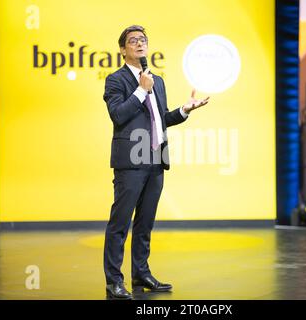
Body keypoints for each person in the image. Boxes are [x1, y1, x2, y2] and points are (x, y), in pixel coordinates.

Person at [102, 25, 210, 299]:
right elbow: (118, 115)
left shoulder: (157, 81)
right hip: (130, 161)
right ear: (123, 49)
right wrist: (139, 91)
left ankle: (141, 273)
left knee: (145, 223)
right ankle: (114, 281)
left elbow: (160, 119)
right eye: (133, 40)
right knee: (120, 223)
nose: (139, 44)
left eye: (143, 40)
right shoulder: (116, 80)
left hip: (156, 159)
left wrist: (184, 110)